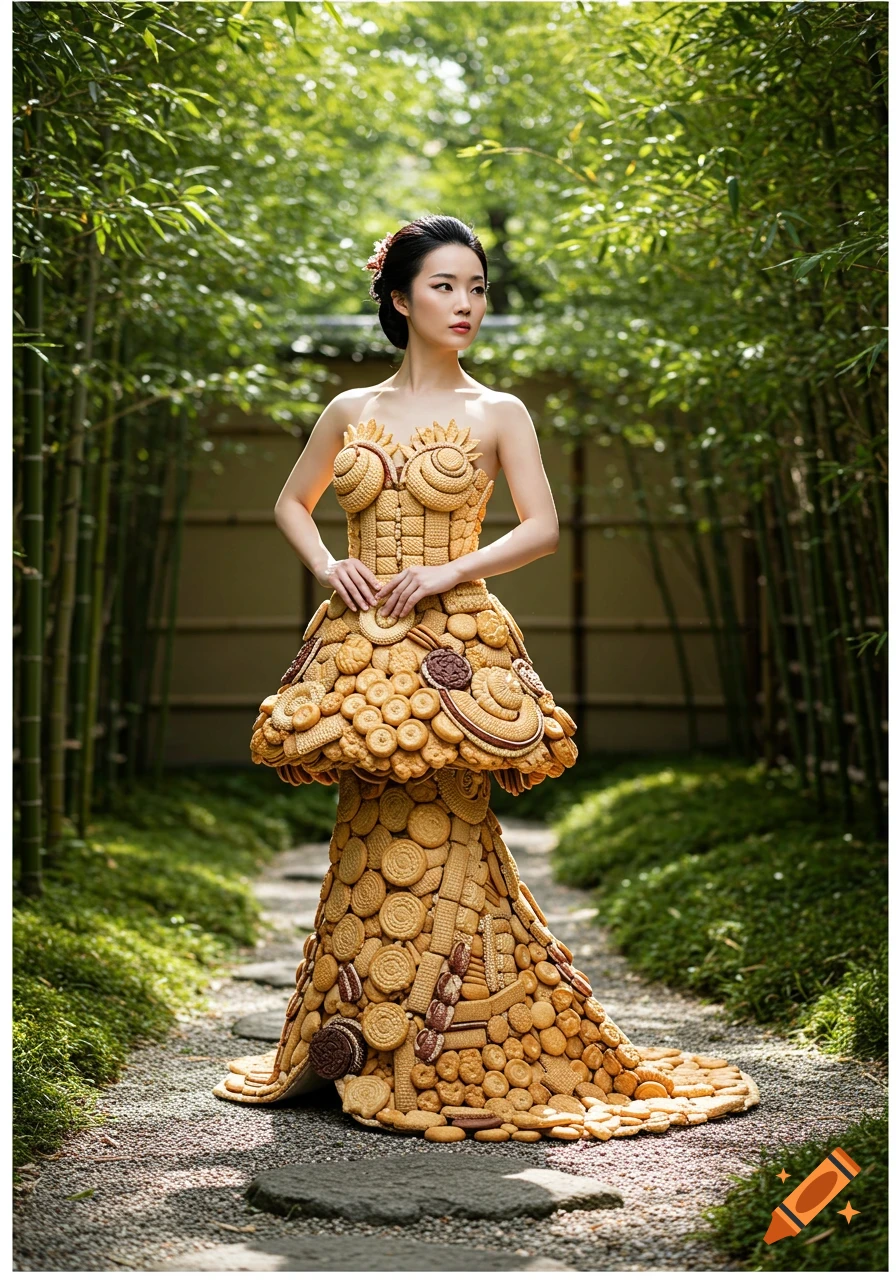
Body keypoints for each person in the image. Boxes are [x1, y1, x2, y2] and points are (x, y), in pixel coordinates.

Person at [213, 215, 760, 1141]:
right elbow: (290, 502)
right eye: (445, 286)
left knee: (451, 820)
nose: (465, 303)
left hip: (453, 640)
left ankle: (447, 1036)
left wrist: (447, 570)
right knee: (367, 823)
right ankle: (355, 1031)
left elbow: (541, 527)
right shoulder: (350, 409)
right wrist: (329, 565)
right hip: (361, 637)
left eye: (476, 288)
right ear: (399, 298)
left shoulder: (499, 410)